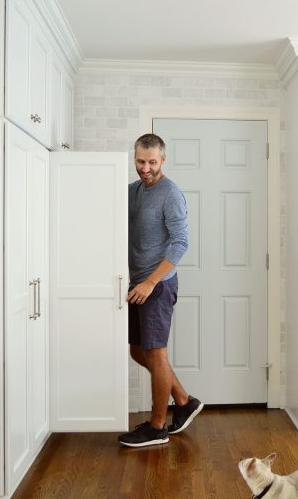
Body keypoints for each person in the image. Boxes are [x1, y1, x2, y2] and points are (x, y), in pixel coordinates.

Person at [118, 133, 204, 447]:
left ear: (162, 160)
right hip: (135, 283)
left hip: (158, 284)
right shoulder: (133, 191)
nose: (145, 168)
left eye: (152, 162)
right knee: (138, 351)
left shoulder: (171, 193)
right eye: (140, 161)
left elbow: (181, 243)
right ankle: (183, 400)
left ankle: (157, 427)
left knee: (156, 353)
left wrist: (150, 282)